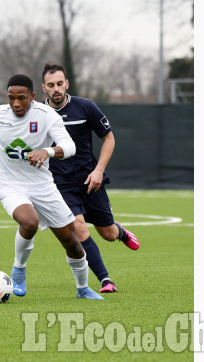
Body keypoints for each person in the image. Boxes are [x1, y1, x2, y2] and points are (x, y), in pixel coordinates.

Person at [0, 74, 103, 300]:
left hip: (43, 186)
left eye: (21, 98)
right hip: (10, 184)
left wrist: (47, 151)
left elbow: (69, 146)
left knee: (71, 241)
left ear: (33, 97)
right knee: (29, 222)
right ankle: (18, 270)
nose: (16, 104)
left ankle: (83, 288)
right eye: (11, 98)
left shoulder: (47, 115)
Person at [41, 62, 139, 294]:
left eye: (59, 84)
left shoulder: (85, 107)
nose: (56, 89)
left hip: (90, 181)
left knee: (108, 233)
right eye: (50, 85)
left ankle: (121, 232)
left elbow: (109, 139)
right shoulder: (38, 114)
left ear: (67, 84)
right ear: (43, 88)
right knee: (79, 227)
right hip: (60, 184)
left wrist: (98, 170)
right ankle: (105, 280)